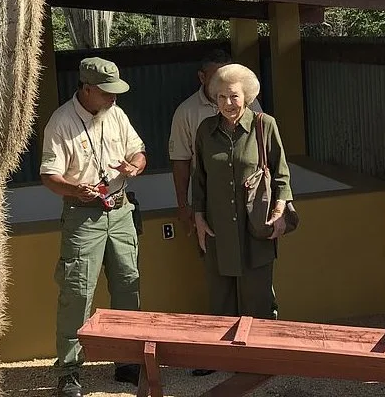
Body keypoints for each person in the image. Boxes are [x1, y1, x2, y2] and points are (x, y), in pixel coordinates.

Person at [40, 57, 146, 397]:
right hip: (82, 214)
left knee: (128, 285)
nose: (113, 98)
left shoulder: (115, 114)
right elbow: (48, 175)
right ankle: (69, 371)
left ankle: (127, 360)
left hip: (120, 210)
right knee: (77, 293)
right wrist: (75, 189)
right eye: (106, 92)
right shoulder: (61, 121)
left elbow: (139, 149)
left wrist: (135, 166)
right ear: (86, 88)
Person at [193, 63, 292, 323]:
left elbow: (281, 174)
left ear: (246, 96)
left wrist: (280, 212)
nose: (228, 103)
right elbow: (199, 178)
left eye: (234, 95)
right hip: (218, 231)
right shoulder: (205, 130)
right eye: (221, 96)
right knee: (221, 302)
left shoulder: (265, 125)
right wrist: (199, 218)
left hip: (255, 229)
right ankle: (225, 360)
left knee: (258, 302)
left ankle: (258, 361)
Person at [169, 50, 261, 235]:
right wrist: (183, 205)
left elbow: (268, 153)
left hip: (250, 197)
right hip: (209, 203)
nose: (223, 84)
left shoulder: (251, 105)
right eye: (217, 78)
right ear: (202, 78)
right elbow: (181, 160)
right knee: (214, 254)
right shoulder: (186, 112)